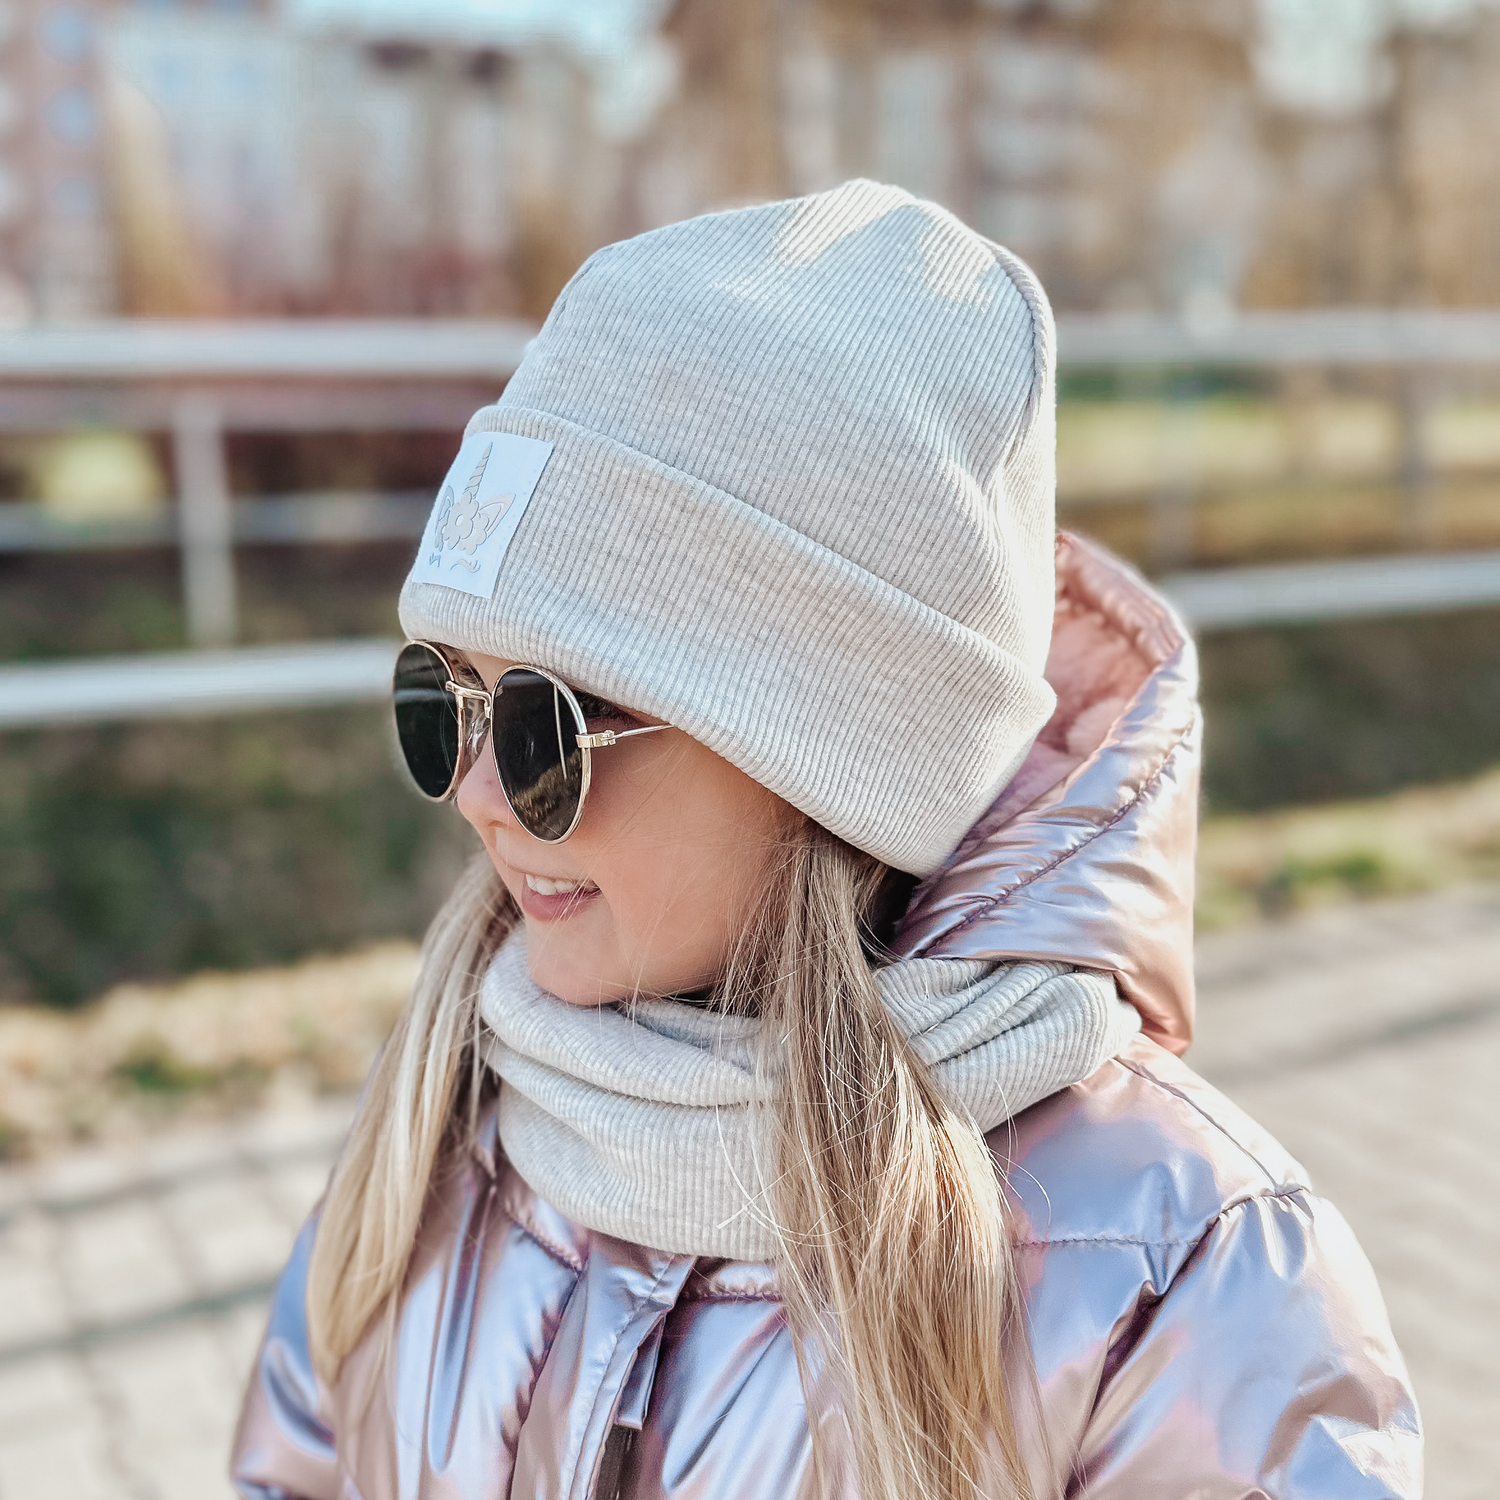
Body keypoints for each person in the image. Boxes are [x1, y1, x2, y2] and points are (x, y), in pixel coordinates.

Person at [230, 181, 1419, 1500]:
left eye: (542, 730)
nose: (477, 799)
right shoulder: (438, 1133)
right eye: (437, 703)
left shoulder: (1177, 1280)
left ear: (831, 763)